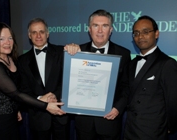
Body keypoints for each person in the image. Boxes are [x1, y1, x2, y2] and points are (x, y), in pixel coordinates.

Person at [0, 22, 66, 140]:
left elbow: (17, 87)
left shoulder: (11, 60)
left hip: (11, 116)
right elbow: (16, 93)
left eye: (10, 38)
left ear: (47, 34)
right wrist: (45, 105)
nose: (7, 42)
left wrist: (16, 109)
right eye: (2, 39)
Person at [112, 15, 177, 140]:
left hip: (153, 131)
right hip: (130, 129)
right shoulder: (131, 64)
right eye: (136, 33)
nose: (140, 36)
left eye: (145, 32)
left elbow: (173, 100)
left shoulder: (167, 64)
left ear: (156, 34)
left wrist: (171, 126)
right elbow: (126, 91)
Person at [17, 18, 79, 140]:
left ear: (48, 33)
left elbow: (69, 80)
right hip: (38, 117)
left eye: (41, 31)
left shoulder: (62, 52)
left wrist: (54, 95)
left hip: (60, 113)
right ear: (29, 36)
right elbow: (23, 90)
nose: (38, 35)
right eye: (34, 32)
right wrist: (41, 99)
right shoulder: (22, 60)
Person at [74, 9, 131, 140]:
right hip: (84, 123)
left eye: (104, 26)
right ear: (89, 29)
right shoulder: (77, 51)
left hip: (110, 121)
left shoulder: (124, 53)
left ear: (110, 30)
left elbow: (127, 87)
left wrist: (118, 108)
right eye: (95, 25)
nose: (100, 31)